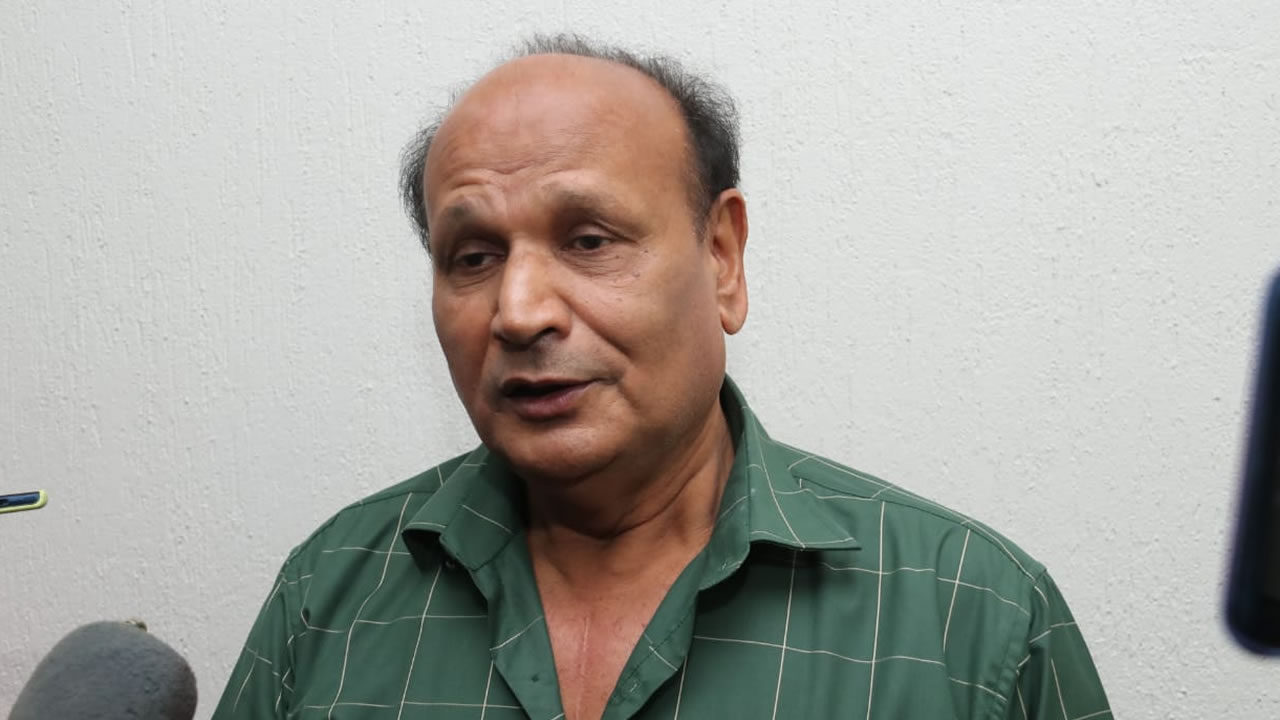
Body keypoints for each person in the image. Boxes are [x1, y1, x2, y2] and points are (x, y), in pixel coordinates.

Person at [212, 35, 1111, 720]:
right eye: (474, 256)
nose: (519, 312)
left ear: (722, 257)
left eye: (588, 240)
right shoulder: (329, 595)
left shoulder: (972, 616)